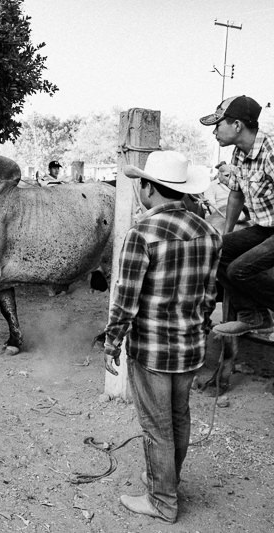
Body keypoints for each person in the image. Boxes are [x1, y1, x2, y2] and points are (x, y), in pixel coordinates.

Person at [103, 150, 220, 523]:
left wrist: (112, 341)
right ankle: (166, 478)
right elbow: (209, 294)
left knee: (156, 426)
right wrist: (199, 329)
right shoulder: (209, 233)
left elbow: (126, 298)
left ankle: (162, 500)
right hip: (190, 346)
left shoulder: (143, 234)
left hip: (153, 349)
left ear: (148, 188)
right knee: (179, 416)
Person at [199, 95, 274, 335]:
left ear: (237, 125)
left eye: (218, 125)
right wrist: (227, 235)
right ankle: (254, 316)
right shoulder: (240, 154)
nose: (215, 132)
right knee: (215, 249)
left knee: (238, 270)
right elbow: (236, 195)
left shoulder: (270, 150)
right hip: (264, 226)